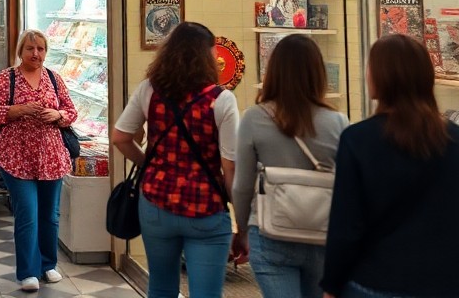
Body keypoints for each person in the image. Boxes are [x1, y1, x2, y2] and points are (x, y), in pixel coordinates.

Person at [321, 34, 459, 298]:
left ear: (381, 76)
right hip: (452, 282)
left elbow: (346, 227)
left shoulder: (358, 140)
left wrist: (331, 285)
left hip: (378, 281)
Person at [111, 22, 238, 298]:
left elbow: (120, 137)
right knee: (206, 293)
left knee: (160, 286)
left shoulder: (149, 90)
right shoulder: (222, 100)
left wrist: (147, 163)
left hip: (156, 203)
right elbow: (230, 166)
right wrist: (239, 215)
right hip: (205, 208)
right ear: (207, 56)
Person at [231, 35, 347, 297]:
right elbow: (347, 187)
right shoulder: (338, 122)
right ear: (318, 74)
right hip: (322, 236)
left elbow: (242, 185)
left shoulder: (254, 118)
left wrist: (241, 229)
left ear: (273, 71)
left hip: (271, 233)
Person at [0, 30, 77, 292]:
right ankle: (27, 271)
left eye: (40, 49)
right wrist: (19, 110)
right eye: (30, 49)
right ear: (20, 51)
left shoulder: (54, 78)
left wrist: (57, 114)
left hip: (52, 157)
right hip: (16, 157)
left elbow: (71, 111)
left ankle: (48, 264)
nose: (35, 54)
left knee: (50, 214)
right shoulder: (8, 78)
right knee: (27, 214)